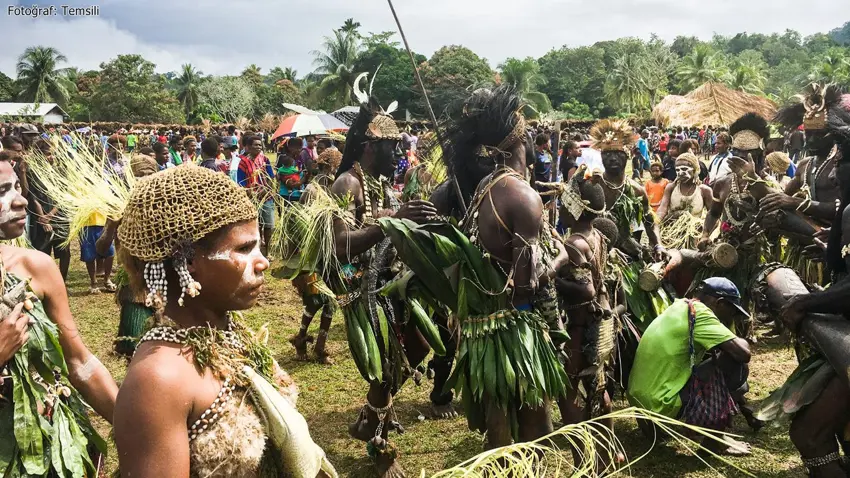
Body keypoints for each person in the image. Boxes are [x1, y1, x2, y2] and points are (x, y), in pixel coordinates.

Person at [113, 166, 336, 478]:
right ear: (187, 262)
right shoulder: (160, 379)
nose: (264, 262)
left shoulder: (230, 331)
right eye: (244, 248)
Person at [327, 87, 438, 477]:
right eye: (393, 149)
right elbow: (341, 246)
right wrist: (394, 220)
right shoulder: (346, 184)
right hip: (361, 290)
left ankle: (370, 418)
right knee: (385, 367)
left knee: (418, 348)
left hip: (390, 283)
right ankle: (377, 441)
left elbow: (385, 228)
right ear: (372, 147)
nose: (399, 156)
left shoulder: (376, 184)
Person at [0, 150, 118, 473]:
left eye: (17, 189)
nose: (20, 201)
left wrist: (132, 423)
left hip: (42, 444)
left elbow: (78, 361)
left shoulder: (36, 267)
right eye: (2, 192)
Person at [628, 277, 752, 456]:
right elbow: (743, 354)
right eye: (732, 311)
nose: (731, 317)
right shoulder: (701, 314)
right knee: (736, 365)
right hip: (661, 402)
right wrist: (736, 338)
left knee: (715, 359)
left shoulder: (680, 305)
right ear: (720, 303)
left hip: (640, 400)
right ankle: (715, 441)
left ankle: (653, 428)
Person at [554, 166, 619, 445]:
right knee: (597, 384)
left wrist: (552, 280)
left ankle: (584, 453)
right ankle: (609, 446)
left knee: (567, 389)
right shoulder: (597, 235)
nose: (560, 209)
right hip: (601, 321)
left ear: (575, 209)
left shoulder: (574, 243)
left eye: (564, 204)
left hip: (581, 326)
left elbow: (585, 289)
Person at [288, 148, 343, 365]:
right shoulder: (311, 190)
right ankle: (311, 342)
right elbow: (301, 225)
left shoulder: (331, 188)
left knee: (328, 301)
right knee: (319, 299)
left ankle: (311, 342)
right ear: (329, 167)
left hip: (329, 253)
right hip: (312, 255)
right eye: (336, 167)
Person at [26, 140, 71, 281]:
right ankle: (44, 281)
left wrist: (50, 215)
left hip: (59, 216)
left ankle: (62, 280)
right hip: (39, 218)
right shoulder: (31, 172)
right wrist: (43, 218)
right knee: (42, 251)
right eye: (48, 154)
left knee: (65, 251)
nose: (51, 157)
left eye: (53, 154)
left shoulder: (60, 172)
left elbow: (63, 197)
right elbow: (33, 198)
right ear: (39, 155)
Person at [657, 152, 714, 250]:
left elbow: (713, 215)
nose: (680, 173)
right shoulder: (671, 188)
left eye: (684, 169)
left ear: (695, 170)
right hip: (671, 232)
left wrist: (705, 233)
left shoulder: (704, 190)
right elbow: (662, 209)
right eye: (677, 170)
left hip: (695, 234)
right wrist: (656, 222)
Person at [236, 135, 275, 257]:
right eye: (255, 145)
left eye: (260, 144)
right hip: (252, 199)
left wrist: (264, 191)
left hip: (266, 197)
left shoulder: (265, 160)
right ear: (248, 147)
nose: (258, 147)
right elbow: (241, 183)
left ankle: (268, 251)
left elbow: (270, 178)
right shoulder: (243, 162)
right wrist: (252, 194)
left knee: (269, 225)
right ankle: (257, 250)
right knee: (256, 226)